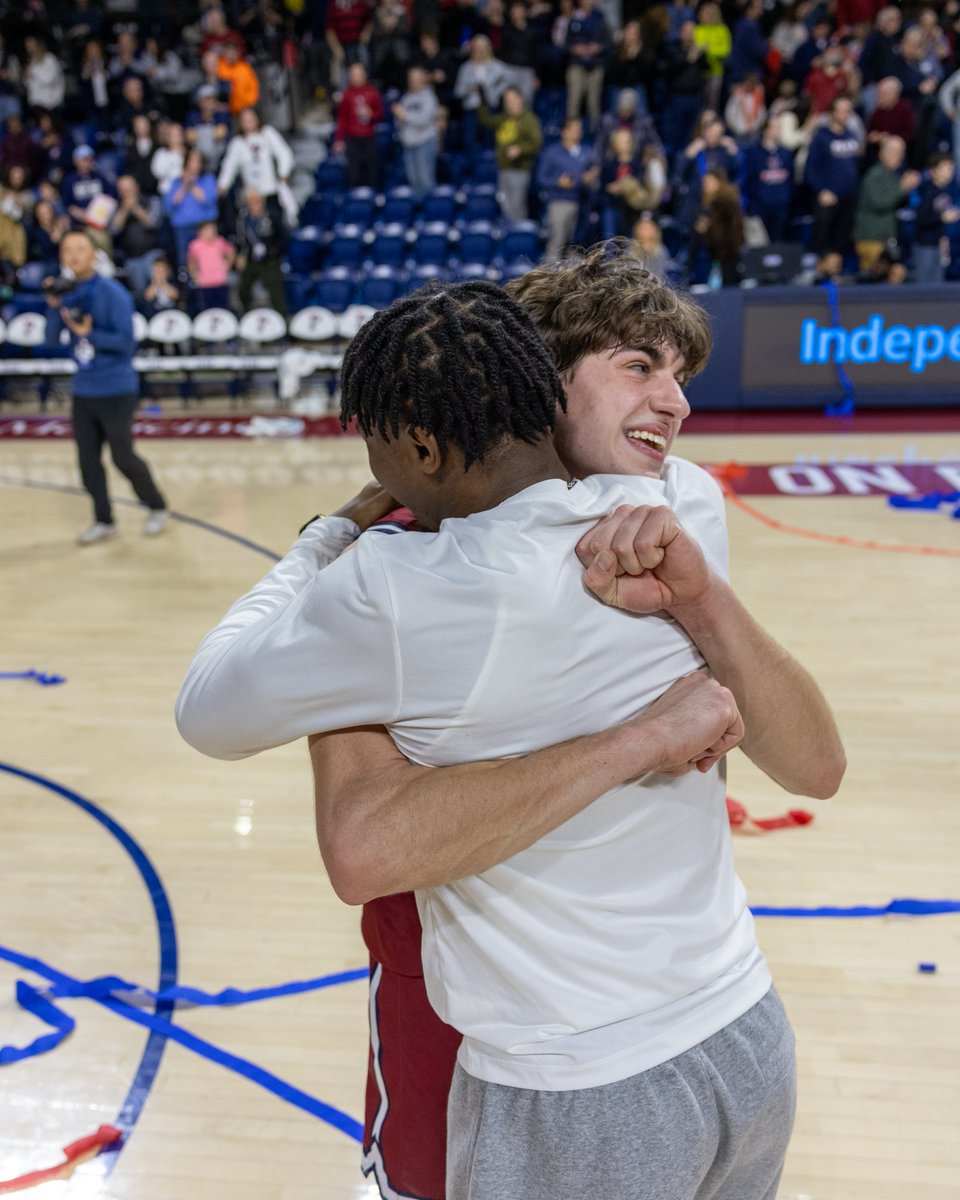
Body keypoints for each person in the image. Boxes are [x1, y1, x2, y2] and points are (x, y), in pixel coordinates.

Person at [178, 247, 845, 1200]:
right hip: (729, 1028)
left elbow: (291, 782)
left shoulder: (644, 518)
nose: (675, 402)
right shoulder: (672, 509)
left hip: (575, 1068)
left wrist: (334, 546)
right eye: (638, 366)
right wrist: (648, 734)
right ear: (541, 376)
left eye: (680, 374)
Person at [42, 230, 168, 545]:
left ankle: (157, 505)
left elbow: (126, 343)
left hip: (116, 388)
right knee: (87, 461)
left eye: (80, 249)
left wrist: (89, 333)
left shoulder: (112, 292)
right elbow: (48, 338)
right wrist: (54, 305)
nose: (73, 255)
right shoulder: (66, 291)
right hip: (83, 390)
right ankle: (104, 520)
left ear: (94, 254)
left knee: (123, 457)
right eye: (67, 250)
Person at [218, 108, 297, 226]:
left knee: (276, 222)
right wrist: (223, 184)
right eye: (245, 120)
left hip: (271, 189)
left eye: (251, 119)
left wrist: (284, 171)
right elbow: (229, 165)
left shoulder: (268, 133)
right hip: (252, 194)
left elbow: (284, 152)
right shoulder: (237, 143)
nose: (249, 122)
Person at [805, 95, 862, 255]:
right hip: (828, 196)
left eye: (848, 111)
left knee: (842, 238)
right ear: (832, 113)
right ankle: (818, 271)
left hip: (849, 197)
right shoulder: (821, 137)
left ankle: (838, 272)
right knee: (822, 238)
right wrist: (821, 190)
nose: (845, 115)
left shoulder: (851, 135)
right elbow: (810, 168)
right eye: (841, 111)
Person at [852, 135, 919, 271]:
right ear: (882, 153)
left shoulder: (893, 175)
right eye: (894, 152)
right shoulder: (874, 175)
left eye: (901, 153)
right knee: (872, 280)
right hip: (871, 238)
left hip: (887, 238)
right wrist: (903, 187)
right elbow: (880, 202)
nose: (899, 157)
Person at [536, 117, 596, 260]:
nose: (577, 132)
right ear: (564, 132)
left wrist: (592, 175)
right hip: (560, 201)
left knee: (577, 243)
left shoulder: (586, 152)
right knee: (557, 241)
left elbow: (594, 171)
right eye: (573, 129)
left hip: (582, 201)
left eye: (579, 129)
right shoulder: (552, 153)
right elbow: (541, 178)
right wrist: (558, 182)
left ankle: (573, 278)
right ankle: (550, 276)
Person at [480, 86, 543, 222]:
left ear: (520, 99)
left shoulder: (528, 119)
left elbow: (537, 142)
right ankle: (511, 234)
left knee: (516, 205)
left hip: (520, 169)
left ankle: (519, 236)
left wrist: (520, 149)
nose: (509, 103)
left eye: (512, 99)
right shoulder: (503, 119)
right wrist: (482, 99)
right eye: (506, 100)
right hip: (504, 169)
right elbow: (485, 120)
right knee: (505, 204)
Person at [332, 63, 384, 190]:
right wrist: (338, 139)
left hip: (369, 138)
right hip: (353, 138)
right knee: (353, 173)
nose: (356, 78)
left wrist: (371, 114)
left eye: (359, 74)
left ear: (364, 75)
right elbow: (342, 119)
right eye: (353, 75)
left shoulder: (372, 93)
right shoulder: (347, 95)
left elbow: (381, 115)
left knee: (372, 172)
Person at [165, 148, 219, 267]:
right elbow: (170, 204)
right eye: (192, 161)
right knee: (184, 260)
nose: (194, 165)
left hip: (203, 227)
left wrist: (192, 185)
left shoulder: (208, 179)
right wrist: (184, 187)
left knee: (206, 260)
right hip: (182, 229)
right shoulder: (176, 182)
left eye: (197, 161)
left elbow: (209, 200)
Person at [236, 188, 287, 313]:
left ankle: (281, 319)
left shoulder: (272, 215)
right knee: (243, 289)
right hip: (251, 259)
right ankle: (247, 314)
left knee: (276, 293)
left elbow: (283, 236)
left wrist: (273, 251)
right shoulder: (243, 218)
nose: (254, 206)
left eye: (257, 202)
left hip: (270, 260)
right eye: (251, 202)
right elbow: (240, 238)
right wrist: (241, 254)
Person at [393, 66, 440, 199]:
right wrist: (400, 118)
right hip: (409, 144)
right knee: (414, 182)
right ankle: (420, 216)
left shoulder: (429, 96)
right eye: (411, 79)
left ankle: (432, 213)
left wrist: (404, 115)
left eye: (417, 79)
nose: (414, 82)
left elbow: (423, 120)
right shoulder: (406, 97)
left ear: (423, 80)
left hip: (424, 142)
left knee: (426, 181)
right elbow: (399, 122)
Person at [912, 153, 960, 284]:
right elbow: (921, 217)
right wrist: (941, 217)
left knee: (938, 285)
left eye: (951, 168)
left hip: (939, 244)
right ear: (933, 170)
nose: (949, 172)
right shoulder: (926, 190)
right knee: (924, 286)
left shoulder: (947, 190)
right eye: (946, 168)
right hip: (925, 244)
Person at [565, 0, 612, 127]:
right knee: (574, 100)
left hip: (595, 64)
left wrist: (598, 48)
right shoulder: (574, 18)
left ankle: (595, 133)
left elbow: (609, 43)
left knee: (593, 103)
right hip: (577, 63)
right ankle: (570, 130)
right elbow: (566, 45)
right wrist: (574, 49)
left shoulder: (600, 18)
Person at [187, 219, 235, 311]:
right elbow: (191, 262)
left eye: (213, 229)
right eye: (208, 229)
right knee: (207, 309)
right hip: (205, 283)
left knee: (223, 308)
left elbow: (231, 252)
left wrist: (228, 266)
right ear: (200, 231)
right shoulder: (195, 245)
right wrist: (194, 275)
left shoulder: (219, 242)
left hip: (220, 281)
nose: (211, 232)